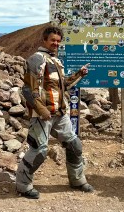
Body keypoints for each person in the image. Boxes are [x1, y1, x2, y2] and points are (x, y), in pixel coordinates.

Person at [16, 25, 94, 199]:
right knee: (39, 150)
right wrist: (42, 110)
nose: (56, 44)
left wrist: (79, 74)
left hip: (59, 113)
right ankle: (23, 185)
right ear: (44, 40)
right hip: (42, 115)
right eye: (53, 40)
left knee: (74, 145)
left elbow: (62, 85)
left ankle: (77, 180)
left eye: (58, 41)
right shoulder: (36, 59)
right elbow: (28, 89)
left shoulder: (55, 61)